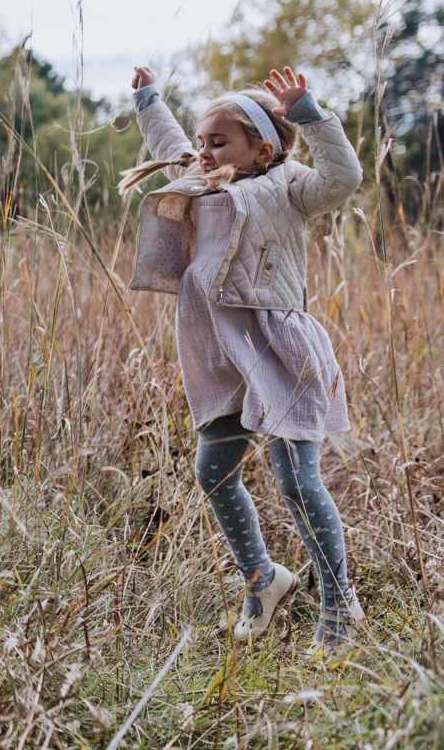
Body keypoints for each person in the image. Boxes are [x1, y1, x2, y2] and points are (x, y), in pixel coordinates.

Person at [122, 66, 365, 656]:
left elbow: (345, 177)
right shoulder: (199, 180)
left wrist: (309, 113)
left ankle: (340, 604)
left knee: (296, 481)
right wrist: (148, 100)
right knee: (213, 471)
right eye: (203, 142)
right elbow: (169, 143)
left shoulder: (289, 185)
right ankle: (262, 578)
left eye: (218, 141)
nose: (203, 153)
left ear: (261, 147)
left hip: (277, 350)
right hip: (218, 355)